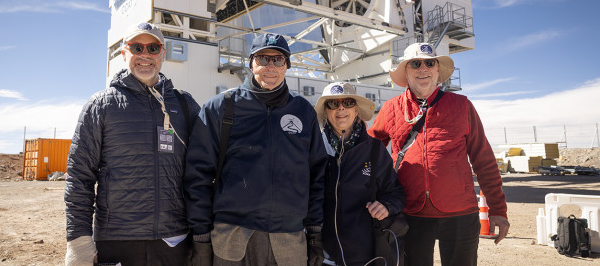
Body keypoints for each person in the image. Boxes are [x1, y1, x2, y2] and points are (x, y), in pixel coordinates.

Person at [184, 33, 328, 266]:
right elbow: (197, 174)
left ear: (287, 65)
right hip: (232, 238)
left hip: (289, 240)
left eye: (278, 60)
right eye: (263, 59)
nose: (271, 66)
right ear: (251, 63)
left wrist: (314, 233)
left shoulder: (303, 111)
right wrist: (200, 235)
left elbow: (317, 176)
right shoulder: (221, 107)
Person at [64, 22, 201, 266]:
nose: (145, 55)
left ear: (163, 54)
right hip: (117, 242)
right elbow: (79, 177)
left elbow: (203, 171)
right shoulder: (101, 106)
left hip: (175, 241)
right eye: (137, 48)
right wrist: (79, 241)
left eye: (153, 48)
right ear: (124, 53)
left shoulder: (184, 105)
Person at [368, 42, 510, 266]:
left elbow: (484, 161)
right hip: (410, 212)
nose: (423, 69)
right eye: (415, 64)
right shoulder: (391, 109)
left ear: (437, 70)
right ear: (406, 71)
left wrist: (498, 210)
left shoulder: (462, 106)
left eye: (429, 63)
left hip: (460, 213)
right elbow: (367, 154)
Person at [315, 82, 405, 266]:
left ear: (356, 110)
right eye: (333, 104)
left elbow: (395, 192)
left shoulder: (374, 149)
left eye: (347, 102)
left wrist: (386, 206)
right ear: (326, 111)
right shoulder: (313, 149)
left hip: (365, 254)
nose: (341, 108)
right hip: (323, 254)